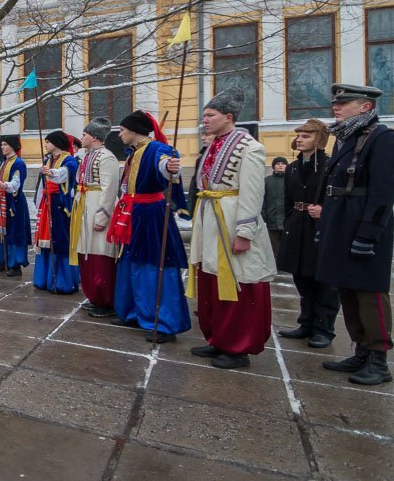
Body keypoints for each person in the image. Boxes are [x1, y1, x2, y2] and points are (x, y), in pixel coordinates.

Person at [315, 84, 394, 386]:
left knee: (370, 293)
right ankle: (362, 350)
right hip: (340, 222)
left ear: (365, 107)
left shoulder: (383, 138)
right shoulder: (346, 139)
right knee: (347, 287)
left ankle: (379, 359)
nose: (336, 108)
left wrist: (369, 233)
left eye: (344, 103)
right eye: (335, 103)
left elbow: (383, 194)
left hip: (362, 223)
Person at [186, 88, 276, 369]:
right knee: (212, 280)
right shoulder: (214, 144)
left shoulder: (249, 147)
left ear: (228, 116)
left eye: (210, 115)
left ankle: (238, 346)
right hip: (210, 220)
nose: (205, 120)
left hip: (230, 221)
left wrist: (245, 232)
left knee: (237, 283)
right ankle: (218, 338)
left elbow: (252, 192)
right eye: (204, 115)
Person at [108, 110, 190, 342]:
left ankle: (163, 322)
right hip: (133, 212)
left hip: (150, 215)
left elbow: (165, 164)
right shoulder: (134, 152)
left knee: (154, 264)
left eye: (123, 130)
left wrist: (171, 167)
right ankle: (133, 312)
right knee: (130, 261)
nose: (120, 134)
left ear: (134, 130)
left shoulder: (156, 149)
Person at [277, 118, 338, 349]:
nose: (300, 140)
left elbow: (337, 197)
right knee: (301, 277)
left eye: (307, 136)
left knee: (323, 281)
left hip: (320, 227)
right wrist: (288, 222)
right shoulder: (292, 167)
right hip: (297, 225)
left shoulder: (329, 165)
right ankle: (306, 323)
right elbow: (287, 200)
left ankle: (324, 328)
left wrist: (325, 209)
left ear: (319, 140)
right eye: (299, 136)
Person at [73, 118, 121, 317]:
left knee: (100, 254)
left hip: (96, 208)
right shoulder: (86, 156)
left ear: (94, 137)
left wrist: (102, 215)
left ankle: (106, 299)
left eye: (84, 134)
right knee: (87, 254)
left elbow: (109, 189)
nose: (81, 137)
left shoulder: (106, 157)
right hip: (85, 206)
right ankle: (94, 296)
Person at [33, 131, 81, 293]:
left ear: (57, 143)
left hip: (61, 206)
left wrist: (51, 173)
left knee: (60, 239)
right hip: (47, 203)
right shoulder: (48, 159)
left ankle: (62, 281)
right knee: (45, 238)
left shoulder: (69, 160)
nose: (45, 145)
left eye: (48, 142)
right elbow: (43, 185)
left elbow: (65, 174)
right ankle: (44, 279)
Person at [0, 135, 31, 277]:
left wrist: (5, 185)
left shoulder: (18, 163)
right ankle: (3, 260)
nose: (2, 147)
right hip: (2, 201)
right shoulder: (4, 162)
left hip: (14, 203)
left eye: (4, 144)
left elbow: (16, 182)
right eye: (1, 144)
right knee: (1, 232)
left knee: (14, 232)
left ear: (12, 146)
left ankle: (15, 264)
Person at [263, 156, 288, 257]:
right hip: (271, 218)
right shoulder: (267, 181)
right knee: (273, 244)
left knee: (287, 242)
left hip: (287, 218)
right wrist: (263, 214)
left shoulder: (291, 179)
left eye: (283, 164)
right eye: (278, 164)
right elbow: (262, 199)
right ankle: (275, 265)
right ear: (273, 167)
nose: (280, 165)